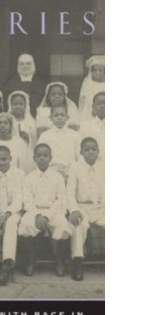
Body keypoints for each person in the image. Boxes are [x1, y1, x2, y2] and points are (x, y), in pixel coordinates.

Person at [18, 144, 71, 277]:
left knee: (63, 226)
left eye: (45, 156)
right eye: (39, 156)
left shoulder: (57, 177)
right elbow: (27, 199)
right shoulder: (29, 177)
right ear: (34, 158)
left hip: (54, 211)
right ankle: (30, 260)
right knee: (26, 225)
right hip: (34, 212)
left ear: (50, 158)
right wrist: (37, 214)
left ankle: (60, 261)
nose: (42, 158)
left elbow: (61, 199)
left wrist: (47, 215)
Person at [67, 137, 105, 281]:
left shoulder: (104, 167)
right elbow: (70, 192)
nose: (90, 152)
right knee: (78, 224)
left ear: (98, 152)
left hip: (100, 207)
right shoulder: (75, 167)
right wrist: (74, 210)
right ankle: (77, 261)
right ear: (81, 152)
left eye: (93, 149)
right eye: (86, 150)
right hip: (82, 207)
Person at [0, 146, 24, 285]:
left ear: (10, 158)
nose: (1, 163)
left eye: (4, 159)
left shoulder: (19, 174)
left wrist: (7, 214)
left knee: (11, 224)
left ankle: (7, 265)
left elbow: (18, 198)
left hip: (13, 211)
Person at [38, 105, 80, 181]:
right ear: (51, 118)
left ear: (67, 117)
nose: (59, 117)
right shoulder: (45, 136)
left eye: (62, 115)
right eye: (56, 115)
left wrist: (71, 169)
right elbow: (41, 155)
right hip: (52, 173)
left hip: (71, 172)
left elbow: (79, 155)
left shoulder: (75, 135)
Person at [3, 53, 46, 118]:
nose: (25, 66)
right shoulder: (10, 83)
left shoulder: (41, 83)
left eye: (28, 63)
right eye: (22, 64)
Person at [79, 92, 105, 164]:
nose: (102, 106)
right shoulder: (86, 125)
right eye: (99, 104)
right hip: (91, 163)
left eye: (105, 103)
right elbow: (80, 145)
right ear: (93, 107)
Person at [78, 55, 105, 123]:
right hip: (89, 109)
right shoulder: (88, 83)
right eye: (95, 70)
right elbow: (83, 100)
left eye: (100, 70)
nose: (97, 72)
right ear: (91, 72)